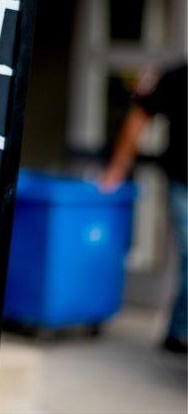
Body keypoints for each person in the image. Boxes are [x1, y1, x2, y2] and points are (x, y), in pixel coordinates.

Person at [102, 63, 187, 354]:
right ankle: (180, 333)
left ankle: (178, 330)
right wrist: (116, 170)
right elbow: (138, 119)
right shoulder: (178, 77)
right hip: (183, 182)